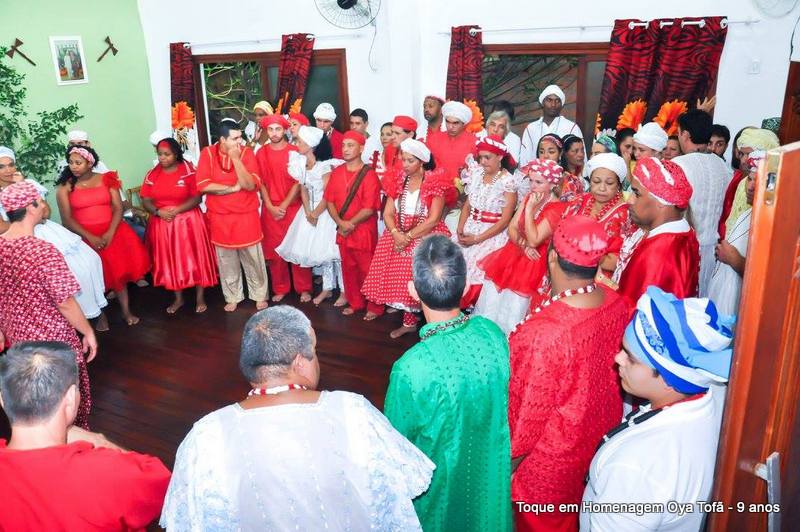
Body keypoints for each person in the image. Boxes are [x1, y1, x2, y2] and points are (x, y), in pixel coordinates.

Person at [161, 305, 433, 530]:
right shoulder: (353, 411)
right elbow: (407, 479)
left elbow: (185, 520)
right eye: (315, 352)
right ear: (300, 363)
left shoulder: (206, 435)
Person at [509, 215, 629, 531]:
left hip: (549, 466)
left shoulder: (544, 334)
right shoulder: (615, 302)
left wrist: (504, 468)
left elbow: (525, 422)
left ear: (552, 257)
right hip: (596, 441)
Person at [384, 235, 512, 532]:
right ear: (466, 288)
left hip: (440, 487)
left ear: (412, 290)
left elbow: (397, 445)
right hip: (489, 472)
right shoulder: (492, 332)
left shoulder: (411, 367)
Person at [581, 287, 734, 531]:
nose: (618, 359)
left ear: (668, 378)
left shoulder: (635, 470)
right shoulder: (712, 395)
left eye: (631, 358)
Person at [0, 341, 170, 530]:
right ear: (71, 398)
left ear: (2, 400)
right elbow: (171, 491)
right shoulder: (109, 472)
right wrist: (102, 443)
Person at [0, 182, 98, 429]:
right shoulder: (43, 251)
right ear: (30, 207)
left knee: (37, 404)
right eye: (40, 201)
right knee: (66, 401)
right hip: (53, 341)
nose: (44, 206)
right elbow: (64, 301)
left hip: (19, 342)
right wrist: (87, 331)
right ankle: (72, 439)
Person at [0, 147, 109, 331]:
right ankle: (67, 320)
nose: (8, 170)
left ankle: (96, 310)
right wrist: (27, 219)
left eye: (11, 165)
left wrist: (24, 188)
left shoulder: (28, 184)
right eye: (2, 167)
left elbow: (46, 212)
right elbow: (2, 226)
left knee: (88, 263)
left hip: (47, 231)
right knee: (59, 279)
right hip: (20, 237)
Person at [361, 139, 456, 337]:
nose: (404, 164)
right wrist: (396, 234)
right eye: (403, 159)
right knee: (402, 279)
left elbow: (433, 219)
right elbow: (388, 213)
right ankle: (409, 321)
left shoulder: (434, 182)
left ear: (422, 162)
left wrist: (409, 237)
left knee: (421, 278)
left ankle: (429, 321)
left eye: (410, 161)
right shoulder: (397, 180)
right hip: (398, 232)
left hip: (426, 234)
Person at [56, 146, 150, 326]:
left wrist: (109, 233)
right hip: (84, 237)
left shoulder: (107, 179)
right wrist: (91, 237)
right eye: (71, 162)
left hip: (113, 232)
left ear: (90, 163)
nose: (74, 166)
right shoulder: (65, 187)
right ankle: (101, 315)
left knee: (118, 274)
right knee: (93, 278)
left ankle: (126, 312)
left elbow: (118, 208)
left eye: (78, 162)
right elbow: (67, 220)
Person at [474, 158, 567, 333]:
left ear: (553, 184)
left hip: (533, 264)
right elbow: (512, 228)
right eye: (531, 180)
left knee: (513, 312)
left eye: (539, 182)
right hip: (513, 253)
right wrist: (523, 245)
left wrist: (530, 210)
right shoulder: (529, 197)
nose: (533, 186)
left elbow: (534, 240)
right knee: (491, 304)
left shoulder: (557, 209)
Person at [196, 121, 268, 312]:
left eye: (240, 137)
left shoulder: (246, 153)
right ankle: (232, 296)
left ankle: (259, 295)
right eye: (234, 138)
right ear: (222, 139)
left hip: (246, 215)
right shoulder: (207, 154)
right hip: (220, 217)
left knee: (253, 258)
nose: (240, 141)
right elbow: (203, 185)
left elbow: (250, 185)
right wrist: (231, 189)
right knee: (226, 260)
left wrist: (236, 159)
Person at [140, 138, 218, 314]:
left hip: (188, 221)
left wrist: (176, 211)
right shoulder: (152, 174)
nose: (162, 158)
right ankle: (178, 298)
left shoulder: (189, 170)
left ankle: (200, 297)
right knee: (170, 261)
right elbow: (146, 200)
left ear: (176, 154)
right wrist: (158, 212)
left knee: (196, 258)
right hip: (162, 223)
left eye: (166, 154)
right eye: (160, 154)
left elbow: (197, 198)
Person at [614, 157, 700, 306]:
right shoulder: (683, 231)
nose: (630, 200)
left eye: (637, 193)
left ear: (661, 202)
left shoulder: (657, 253)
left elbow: (634, 310)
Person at [275, 126, 345, 306]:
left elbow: (329, 194)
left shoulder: (324, 166)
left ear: (311, 145)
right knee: (322, 253)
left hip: (326, 212)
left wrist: (316, 213)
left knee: (333, 253)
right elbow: (303, 189)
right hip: (309, 212)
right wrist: (307, 212)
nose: (297, 144)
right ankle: (327, 288)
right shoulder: (302, 165)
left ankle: (344, 291)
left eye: (300, 141)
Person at [674, 109, 732, 296]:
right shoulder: (723, 167)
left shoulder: (678, 165)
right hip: (713, 250)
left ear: (685, 134)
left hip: (684, 248)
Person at [455, 135, 518, 308]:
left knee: (478, 269)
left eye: (487, 157)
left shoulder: (507, 182)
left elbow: (505, 220)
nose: (482, 162)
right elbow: (467, 206)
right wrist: (460, 228)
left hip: (492, 234)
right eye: (480, 157)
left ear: (500, 157)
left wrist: (477, 239)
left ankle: (472, 310)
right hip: (470, 227)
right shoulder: (476, 174)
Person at [324, 131, 382, 317]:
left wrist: (349, 223)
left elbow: (369, 208)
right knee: (348, 269)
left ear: (361, 148)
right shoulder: (336, 172)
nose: (346, 149)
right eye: (343, 145)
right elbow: (329, 201)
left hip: (363, 230)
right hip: (343, 229)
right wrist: (340, 222)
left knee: (368, 269)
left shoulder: (369, 175)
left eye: (350, 145)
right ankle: (356, 302)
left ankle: (374, 306)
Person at [256, 115, 313, 303]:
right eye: (270, 129)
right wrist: (269, 206)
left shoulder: (295, 152)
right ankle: (280, 287)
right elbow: (260, 182)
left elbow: (299, 182)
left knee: (297, 248)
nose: (274, 133)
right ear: (266, 131)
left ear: (284, 130)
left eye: (278, 129)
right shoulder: (261, 153)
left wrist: (283, 205)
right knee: (275, 251)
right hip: (270, 208)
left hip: (293, 207)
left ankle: (304, 288)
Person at [708, 151, 761, 316]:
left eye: (759, 181)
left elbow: (767, 278)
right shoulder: (749, 212)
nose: (750, 187)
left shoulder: (775, 224)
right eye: (750, 179)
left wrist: (734, 259)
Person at [567, 152, 631, 279]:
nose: (602, 188)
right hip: (567, 272)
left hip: (599, 282)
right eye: (596, 181)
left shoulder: (625, 216)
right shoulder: (579, 201)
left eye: (609, 183)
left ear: (619, 185)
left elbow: (621, 261)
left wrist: (583, 253)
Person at [719, 127, 779, 240]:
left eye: (749, 154)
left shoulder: (776, 187)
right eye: (742, 154)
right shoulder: (743, 181)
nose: (743, 160)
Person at [520, 84, 583, 165]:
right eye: (549, 100)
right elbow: (525, 159)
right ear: (542, 103)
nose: (553, 104)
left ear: (562, 105)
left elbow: (580, 159)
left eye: (557, 101)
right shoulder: (531, 129)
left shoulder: (572, 127)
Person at [426, 100, 478, 187]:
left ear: (463, 124)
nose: (450, 127)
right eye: (448, 122)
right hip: (437, 188)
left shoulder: (474, 142)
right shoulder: (434, 139)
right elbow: (427, 167)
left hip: (464, 190)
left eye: (455, 123)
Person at [559, 134, 586, 202]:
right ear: (564, 153)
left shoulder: (586, 173)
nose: (581, 155)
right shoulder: (560, 177)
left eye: (582, 150)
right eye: (575, 151)